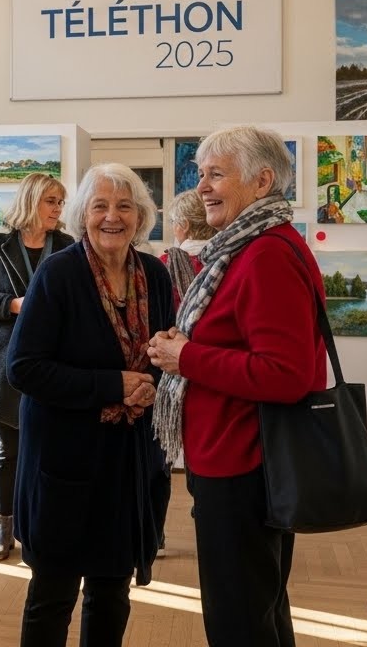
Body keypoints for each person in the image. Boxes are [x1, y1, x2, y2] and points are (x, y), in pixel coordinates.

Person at [147, 125, 327, 647]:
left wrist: (187, 356)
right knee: (259, 607)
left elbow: (286, 375)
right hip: (238, 457)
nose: (202, 186)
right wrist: (189, 345)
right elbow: (245, 345)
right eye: (201, 174)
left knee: (238, 618)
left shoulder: (265, 254)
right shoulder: (249, 246)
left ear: (263, 180)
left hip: (244, 462)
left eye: (216, 175)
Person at [5, 163, 175, 646]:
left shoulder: (156, 276)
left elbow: (164, 349)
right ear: (83, 215)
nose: (112, 217)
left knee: (111, 590)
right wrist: (113, 385)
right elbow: (24, 367)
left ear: (140, 216)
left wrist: (151, 383)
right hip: (64, 460)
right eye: (100, 205)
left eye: (124, 206)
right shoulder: (58, 275)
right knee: (53, 593)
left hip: (127, 461)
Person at [0, 172, 73, 562]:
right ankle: (4, 526)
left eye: (60, 201)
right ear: (31, 201)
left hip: (53, 361)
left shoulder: (67, 245)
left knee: (47, 449)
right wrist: (13, 305)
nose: (59, 209)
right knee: (7, 450)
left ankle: (38, 525)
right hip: (4, 362)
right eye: (51, 201)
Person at [151, 187, 217, 558]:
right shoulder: (223, 261)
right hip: (210, 367)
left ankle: (156, 535)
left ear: (185, 226)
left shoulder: (164, 262)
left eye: (175, 222)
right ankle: (206, 515)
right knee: (201, 452)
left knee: (160, 454)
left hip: (170, 368)